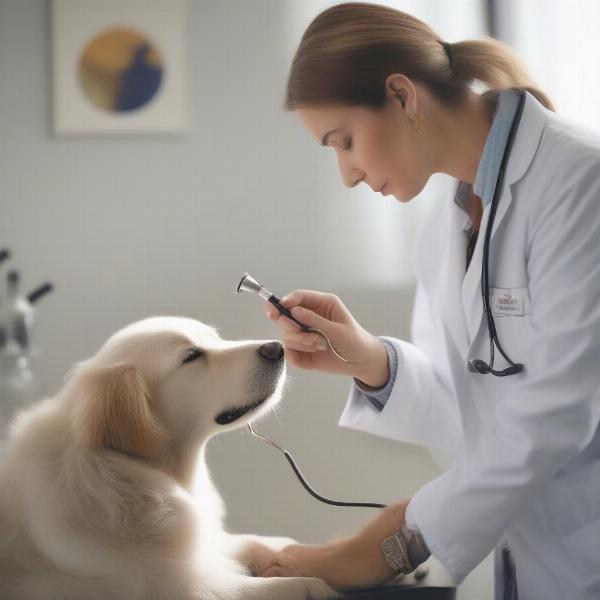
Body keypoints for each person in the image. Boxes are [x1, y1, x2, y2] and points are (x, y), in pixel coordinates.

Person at [257, 3, 600, 600]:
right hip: (523, 566)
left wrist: (387, 545)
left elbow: (555, 416)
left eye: (346, 142)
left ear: (401, 95)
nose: (347, 174)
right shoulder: (446, 227)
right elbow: (477, 412)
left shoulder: (579, 182)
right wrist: (372, 362)